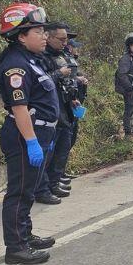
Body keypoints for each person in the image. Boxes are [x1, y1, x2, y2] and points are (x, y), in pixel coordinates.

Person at [0, 2, 59, 265]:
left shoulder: (31, 60)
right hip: (25, 136)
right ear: (21, 35)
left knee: (28, 189)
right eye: (38, 31)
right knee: (19, 192)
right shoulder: (15, 66)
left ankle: (25, 234)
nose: (45, 36)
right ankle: (16, 247)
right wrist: (31, 142)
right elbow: (19, 108)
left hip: (39, 133)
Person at [34, 23, 76, 205]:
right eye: (61, 39)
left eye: (66, 39)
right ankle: (42, 188)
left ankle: (54, 181)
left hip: (64, 107)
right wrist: (59, 73)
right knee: (48, 153)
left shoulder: (61, 55)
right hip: (49, 112)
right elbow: (40, 83)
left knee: (63, 146)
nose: (64, 42)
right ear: (48, 37)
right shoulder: (40, 58)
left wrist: (74, 97)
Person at [114, 32, 133, 138]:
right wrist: (129, 88)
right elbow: (122, 75)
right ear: (128, 46)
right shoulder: (126, 58)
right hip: (131, 91)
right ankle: (127, 133)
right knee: (129, 112)